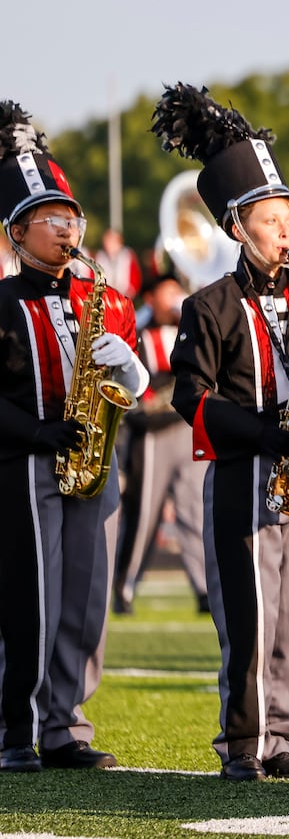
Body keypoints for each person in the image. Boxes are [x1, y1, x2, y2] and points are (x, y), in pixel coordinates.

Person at [156, 84, 289, 782]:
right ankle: (242, 744)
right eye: (271, 220)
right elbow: (190, 394)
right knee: (250, 616)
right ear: (238, 226)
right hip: (245, 470)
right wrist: (260, 433)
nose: (286, 232)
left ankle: (283, 738)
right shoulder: (209, 305)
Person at [0, 101, 147, 772]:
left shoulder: (100, 295)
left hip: (92, 458)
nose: (67, 229)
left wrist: (129, 369)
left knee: (85, 600)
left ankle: (65, 725)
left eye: (71, 217)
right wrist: (38, 430)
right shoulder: (2, 304)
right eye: (52, 220)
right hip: (27, 464)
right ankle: (14, 730)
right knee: (31, 600)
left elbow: (138, 382)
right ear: (17, 232)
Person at [114, 268, 209, 615]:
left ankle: (204, 589)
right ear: (151, 299)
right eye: (167, 293)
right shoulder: (139, 332)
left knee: (195, 512)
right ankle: (124, 587)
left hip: (186, 427)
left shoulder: (192, 328)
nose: (174, 299)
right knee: (143, 514)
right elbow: (137, 383)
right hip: (152, 432)